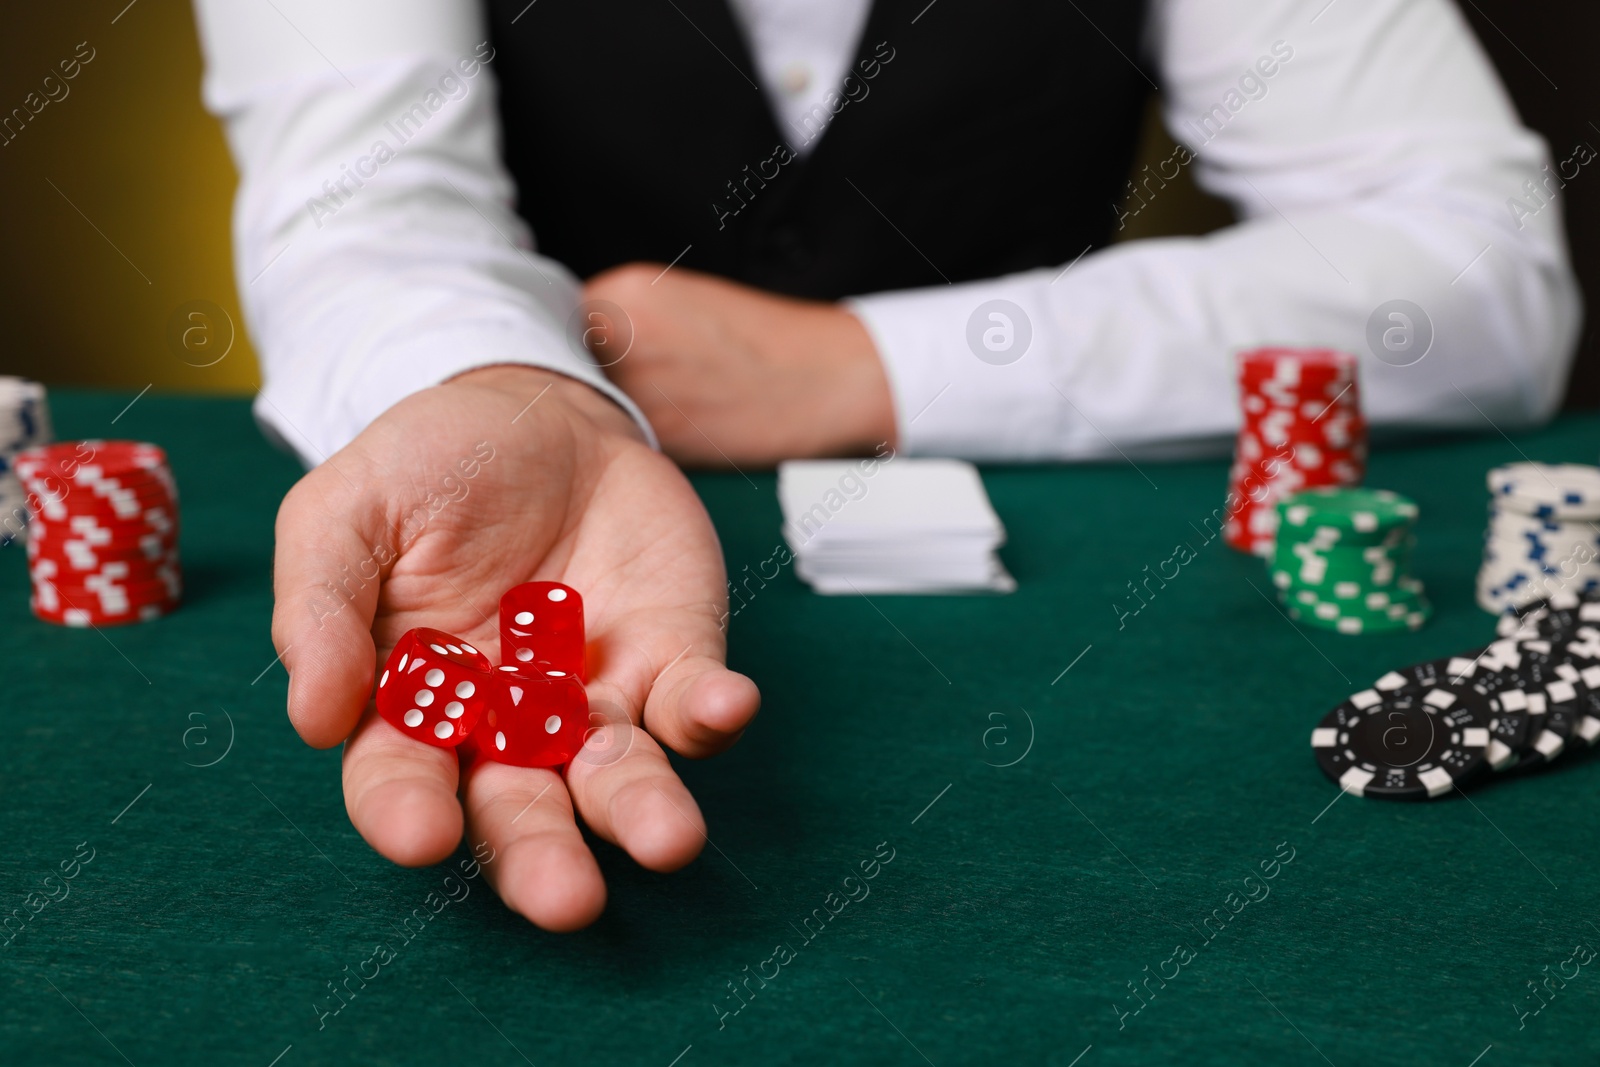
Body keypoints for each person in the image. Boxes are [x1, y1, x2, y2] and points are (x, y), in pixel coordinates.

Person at [192, 0, 1579, 930]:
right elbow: (359, 211)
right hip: (559, 506)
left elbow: (1479, 261)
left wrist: (866, 364)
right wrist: (504, 385)